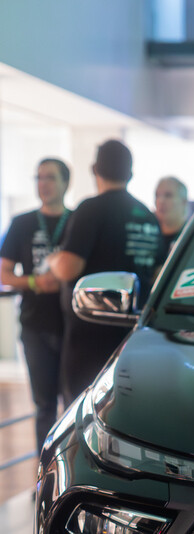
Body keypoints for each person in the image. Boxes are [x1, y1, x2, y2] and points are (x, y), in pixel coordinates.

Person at [49, 140, 163, 405]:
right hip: (135, 331)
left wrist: (53, 260)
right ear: (130, 173)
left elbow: (68, 268)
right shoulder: (146, 214)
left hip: (91, 332)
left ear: (94, 169)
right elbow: (158, 274)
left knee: (83, 407)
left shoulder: (91, 209)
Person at [0, 158, 71, 453]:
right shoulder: (22, 223)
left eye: (50, 177)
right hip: (35, 326)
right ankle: (44, 473)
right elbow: (4, 274)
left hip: (72, 328)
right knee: (44, 407)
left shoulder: (78, 222)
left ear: (66, 182)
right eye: (39, 177)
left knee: (73, 405)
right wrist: (33, 282)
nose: (43, 184)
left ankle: (72, 473)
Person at [154, 176, 188, 252]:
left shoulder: (193, 236)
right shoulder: (148, 235)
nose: (161, 201)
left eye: (168, 195)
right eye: (157, 195)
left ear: (184, 202)